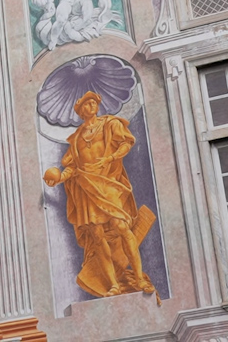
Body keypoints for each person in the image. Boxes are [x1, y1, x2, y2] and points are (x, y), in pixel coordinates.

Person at [44, 91, 157, 298]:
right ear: (80, 111)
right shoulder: (77, 138)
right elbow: (73, 168)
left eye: (94, 102)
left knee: (121, 226)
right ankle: (112, 284)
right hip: (86, 188)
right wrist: (59, 178)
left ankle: (139, 278)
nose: (92, 105)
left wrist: (110, 158)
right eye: (87, 103)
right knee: (97, 236)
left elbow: (126, 143)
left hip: (108, 183)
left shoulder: (110, 124)